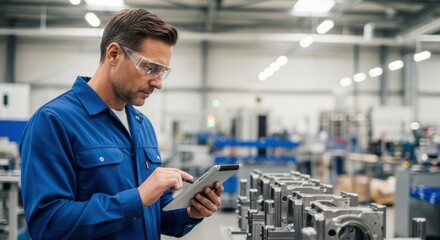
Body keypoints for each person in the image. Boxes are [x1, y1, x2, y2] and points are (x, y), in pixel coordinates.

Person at [19, 8, 224, 240]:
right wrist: (137, 198)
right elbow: (47, 225)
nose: (158, 83)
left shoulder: (142, 125)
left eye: (163, 72)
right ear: (114, 54)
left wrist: (190, 212)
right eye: (150, 68)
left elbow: (152, 213)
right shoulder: (53, 121)